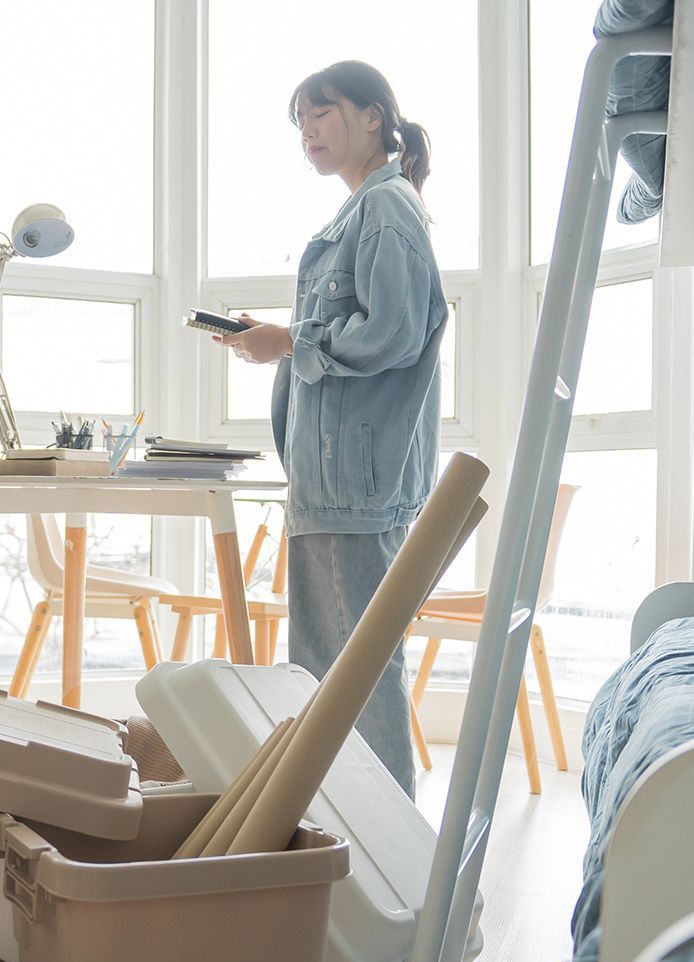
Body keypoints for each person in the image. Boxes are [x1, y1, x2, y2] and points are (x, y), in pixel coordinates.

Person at [213, 60, 446, 795]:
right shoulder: (362, 212)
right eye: (299, 120)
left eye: (322, 112)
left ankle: (392, 864)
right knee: (326, 675)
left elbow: (394, 335)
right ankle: (344, 846)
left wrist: (287, 343)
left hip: (354, 487)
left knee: (354, 679)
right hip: (334, 485)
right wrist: (284, 336)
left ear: (373, 116)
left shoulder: (387, 210)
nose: (308, 130)